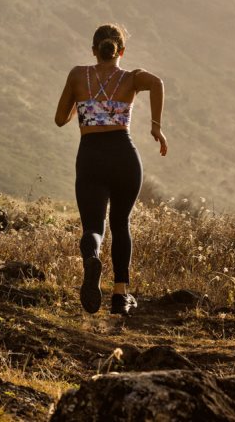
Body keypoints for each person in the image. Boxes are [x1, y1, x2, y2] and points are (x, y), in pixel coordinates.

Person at [54, 23, 168, 316]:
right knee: (121, 223)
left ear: (94, 50)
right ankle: (120, 295)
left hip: (91, 156)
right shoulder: (132, 78)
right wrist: (156, 128)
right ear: (121, 50)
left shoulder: (79, 75)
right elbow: (157, 83)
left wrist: (81, 104)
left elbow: (59, 119)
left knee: (94, 226)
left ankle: (92, 256)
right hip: (124, 157)